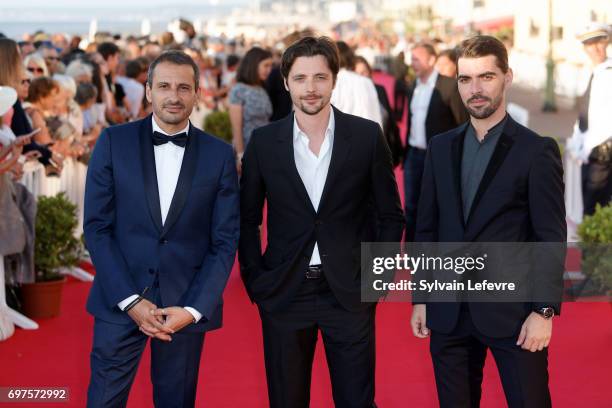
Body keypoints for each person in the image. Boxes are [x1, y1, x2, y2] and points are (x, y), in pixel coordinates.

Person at [239, 36, 404, 408]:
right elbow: (247, 219)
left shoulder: (365, 137)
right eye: (300, 79)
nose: (310, 88)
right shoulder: (263, 143)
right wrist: (256, 278)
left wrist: (377, 278)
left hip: (348, 293)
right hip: (284, 293)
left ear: (334, 79)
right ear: (286, 83)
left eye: (319, 78)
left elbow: (390, 214)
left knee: (356, 401)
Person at [410, 35, 566, 407]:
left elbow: (549, 236)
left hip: (513, 315)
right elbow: (426, 226)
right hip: (448, 312)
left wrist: (543, 310)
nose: (475, 89)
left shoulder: (536, 150)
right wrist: (421, 297)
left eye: (486, 77)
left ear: (507, 77)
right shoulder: (441, 146)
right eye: (465, 79)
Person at [84, 50, 239, 407]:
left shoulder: (219, 155)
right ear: (149, 91)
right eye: (165, 86)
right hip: (119, 299)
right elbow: (97, 227)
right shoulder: (113, 142)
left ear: (198, 92)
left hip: (184, 307)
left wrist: (195, 308)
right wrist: (130, 300)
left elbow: (224, 240)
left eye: (184, 88)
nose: (174, 96)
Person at [403, 42, 468, 242]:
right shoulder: (413, 85)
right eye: (411, 58)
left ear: (431, 60)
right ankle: (414, 254)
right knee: (412, 205)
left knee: (440, 206)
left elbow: (462, 124)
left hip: (440, 158)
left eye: (417, 58)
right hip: (414, 154)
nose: (412, 63)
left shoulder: (449, 86)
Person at [567, 23, 612, 217]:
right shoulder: (592, 73)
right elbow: (586, 112)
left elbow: (606, 120)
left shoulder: (609, 74)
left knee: (594, 210)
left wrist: (585, 147)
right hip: (589, 154)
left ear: (607, 42)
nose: (594, 48)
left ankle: (594, 249)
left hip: (603, 153)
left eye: (598, 42)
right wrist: (576, 143)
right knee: (590, 208)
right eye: (589, 44)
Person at [228, 46, 273, 171]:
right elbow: (236, 127)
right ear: (254, 64)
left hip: (265, 149)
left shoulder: (261, 88)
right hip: (247, 149)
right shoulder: (238, 90)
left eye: (270, 66)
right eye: (266, 65)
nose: (269, 70)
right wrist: (240, 155)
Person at [354, 55, 403, 167]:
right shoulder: (350, 96)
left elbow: (390, 119)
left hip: (381, 150)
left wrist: (398, 148)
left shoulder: (379, 90)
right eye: (357, 73)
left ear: (370, 73)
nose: (361, 76)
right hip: (360, 153)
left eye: (364, 72)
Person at [330, 41, 383, 128]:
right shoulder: (366, 82)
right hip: (369, 135)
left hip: (345, 136)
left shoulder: (333, 83)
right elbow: (376, 115)